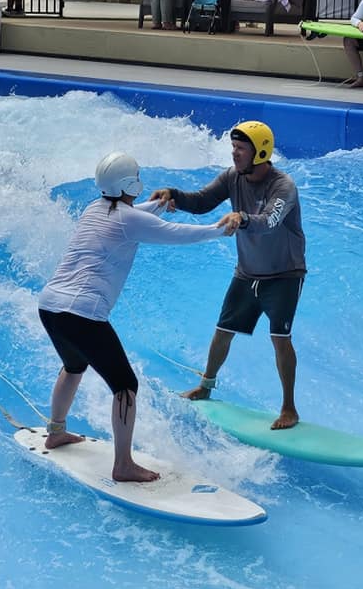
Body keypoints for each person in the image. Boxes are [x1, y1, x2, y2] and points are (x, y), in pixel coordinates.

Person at [38, 151, 227, 482]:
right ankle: (123, 464)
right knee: (125, 385)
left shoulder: (94, 208)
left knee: (73, 366)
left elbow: (131, 216)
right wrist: (218, 229)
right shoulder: (129, 219)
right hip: (81, 313)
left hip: (51, 306)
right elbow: (174, 232)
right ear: (130, 183)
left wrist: (157, 203)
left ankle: (55, 431)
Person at [150, 121, 306, 431]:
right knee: (223, 330)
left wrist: (242, 217)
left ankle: (289, 408)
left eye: (241, 149)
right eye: (233, 147)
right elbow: (202, 201)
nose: (234, 153)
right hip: (247, 272)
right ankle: (206, 385)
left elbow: (270, 221)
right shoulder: (232, 178)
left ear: (259, 152)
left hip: (285, 275)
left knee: (280, 339)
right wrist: (174, 195)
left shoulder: (283, 186)